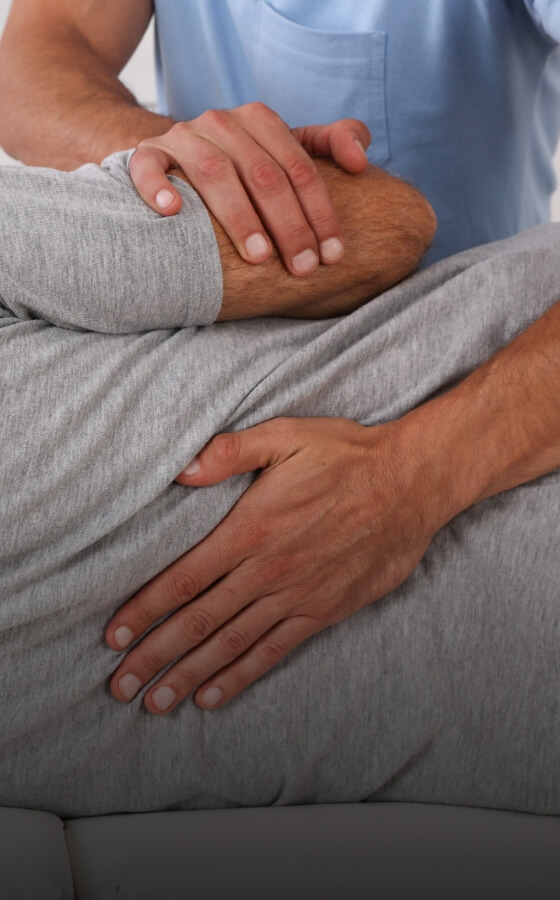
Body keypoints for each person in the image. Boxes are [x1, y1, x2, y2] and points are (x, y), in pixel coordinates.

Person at [0, 0, 559, 782]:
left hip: (498, 395)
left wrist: (417, 474)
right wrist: (184, 162)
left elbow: (384, 230)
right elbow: (37, 57)